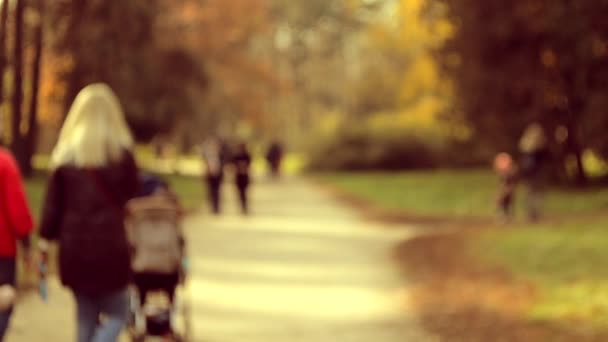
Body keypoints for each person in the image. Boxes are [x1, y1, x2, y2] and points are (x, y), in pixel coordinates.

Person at [38, 83, 139, 342]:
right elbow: (134, 197)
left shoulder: (64, 157)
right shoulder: (121, 155)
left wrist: (43, 243)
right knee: (119, 312)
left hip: (74, 250)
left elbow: (52, 208)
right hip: (111, 249)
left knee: (85, 315)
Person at [0, 149, 34, 339]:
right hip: (2, 250)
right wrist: (26, 243)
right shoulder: (4, 162)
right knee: (4, 303)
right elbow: (17, 207)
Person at [518, 123, 549, 222]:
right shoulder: (540, 147)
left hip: (530, 174)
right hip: (536, 173)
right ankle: (534, 214)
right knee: (536, 193)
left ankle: (531, 214)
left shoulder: (525, 146)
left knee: (530, 193)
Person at [202, 138, 225, 215]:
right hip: (209, 176)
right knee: (211, 192)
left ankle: (217, 208)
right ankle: (212, 207)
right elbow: (204, 165)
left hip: (218, 176)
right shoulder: (207, 155)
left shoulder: (220, 154)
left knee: (217, 191)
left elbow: (223, 164)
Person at [493, 152, 518, 223]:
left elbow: (510, 182)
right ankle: (505, 216)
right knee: (503, 203)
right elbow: (502, 182)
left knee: (506, 202)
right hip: (505, 188)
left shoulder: (510, 172)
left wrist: (506, 190)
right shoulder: (505, 172)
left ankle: (506, 217)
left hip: (508, 189)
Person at [232, 142, 252, 215]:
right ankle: (242, 207)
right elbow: (233, 165)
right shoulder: (236, 156)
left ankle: (244, 207)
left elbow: (249, 165)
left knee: (244, 193)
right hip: (239, 177)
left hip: (244, 177)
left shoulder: (247, 155)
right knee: (240, 193)